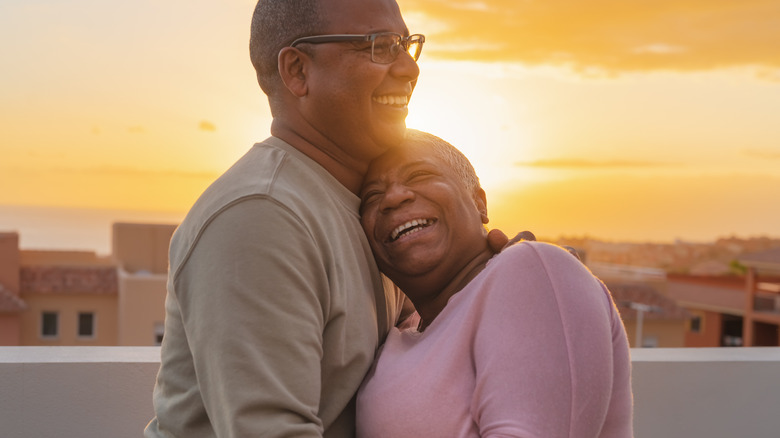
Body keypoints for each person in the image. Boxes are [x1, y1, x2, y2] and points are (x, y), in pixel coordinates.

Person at [144, 1, 517, 437]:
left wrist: (494, 280)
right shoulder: (262, 216)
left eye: (405, 44)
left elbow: (419, 339)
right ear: (298, 71)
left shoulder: (363, 207)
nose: (408, 69)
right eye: (378, 45)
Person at [356, 130, 634, 437]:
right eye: (372, 196)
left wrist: (531, 276)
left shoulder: (529, 270)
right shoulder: (400, 331)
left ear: (479, 202)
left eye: (420, 175)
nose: (393, 198)